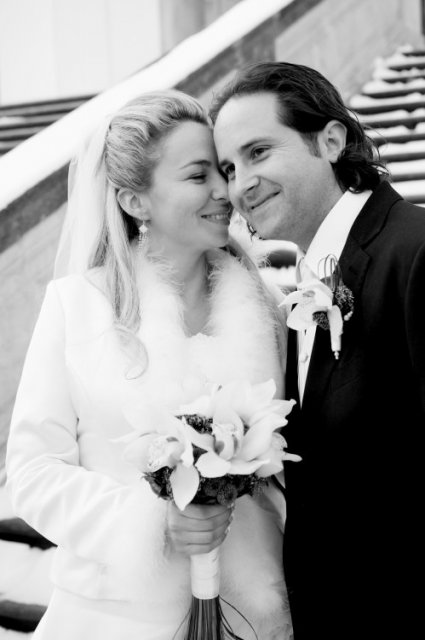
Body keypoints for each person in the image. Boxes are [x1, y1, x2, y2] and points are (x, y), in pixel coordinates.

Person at [6, 90, 293, 639]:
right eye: (198, 175)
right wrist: (151, 522)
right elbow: (33, 471)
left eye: (224, 170)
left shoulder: (269, 310)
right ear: (135, 201)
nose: (224, 190)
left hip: (251, 611)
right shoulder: (77, 306)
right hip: (117, 614)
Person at [211, 62, 425, 640]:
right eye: (229, 168)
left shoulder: (415, 253)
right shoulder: (301, 292)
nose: (241, 185)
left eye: (259, 152)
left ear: (331, 141)